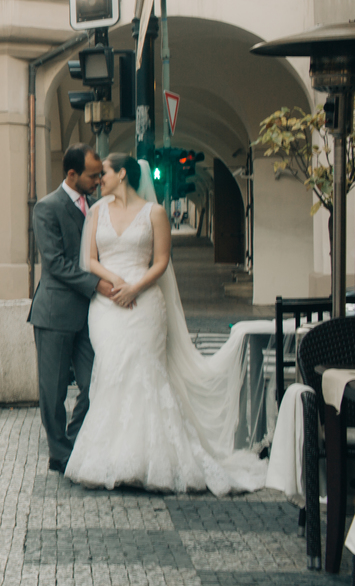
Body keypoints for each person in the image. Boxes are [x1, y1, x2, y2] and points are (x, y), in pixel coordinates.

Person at [65, 153, 267, 495]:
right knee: (113, 369)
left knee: (144, 370)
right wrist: (115, 281)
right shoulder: (97, 211)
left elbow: (160, 262)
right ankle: (109, 456)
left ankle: (153, 458)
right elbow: (89, 260)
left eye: (107, 174)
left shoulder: (155, 213)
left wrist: (135, 287)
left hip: (144, 302)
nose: (101, 179)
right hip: (107, 304)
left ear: (123, 174)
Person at [28, 143, 113, 473]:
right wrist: (97, 284)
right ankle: (59, 453)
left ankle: (75, 440)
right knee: (54, 389)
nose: (97, 180)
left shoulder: (94, 206)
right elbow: (55, 263)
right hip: (55, 313)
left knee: (95, 383)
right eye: (93, 175)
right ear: (72, 174)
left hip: (91, 315)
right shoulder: (46, 208)